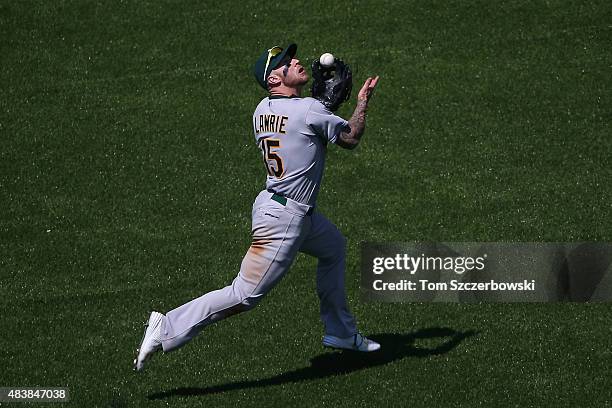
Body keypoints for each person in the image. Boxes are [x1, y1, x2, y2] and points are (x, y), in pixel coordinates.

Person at [134, 43, 380, 372]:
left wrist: (321, 106)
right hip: (285, 219)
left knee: (333, 247)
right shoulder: (308, 109)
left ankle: (341, 332)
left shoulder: (261, 110)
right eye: (283, 63)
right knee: (244, 294)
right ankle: (165, 327)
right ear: (274, 79)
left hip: (280, 207)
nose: (294, 61)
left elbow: (300, 130)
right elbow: (350, 138)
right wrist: (361, 102)